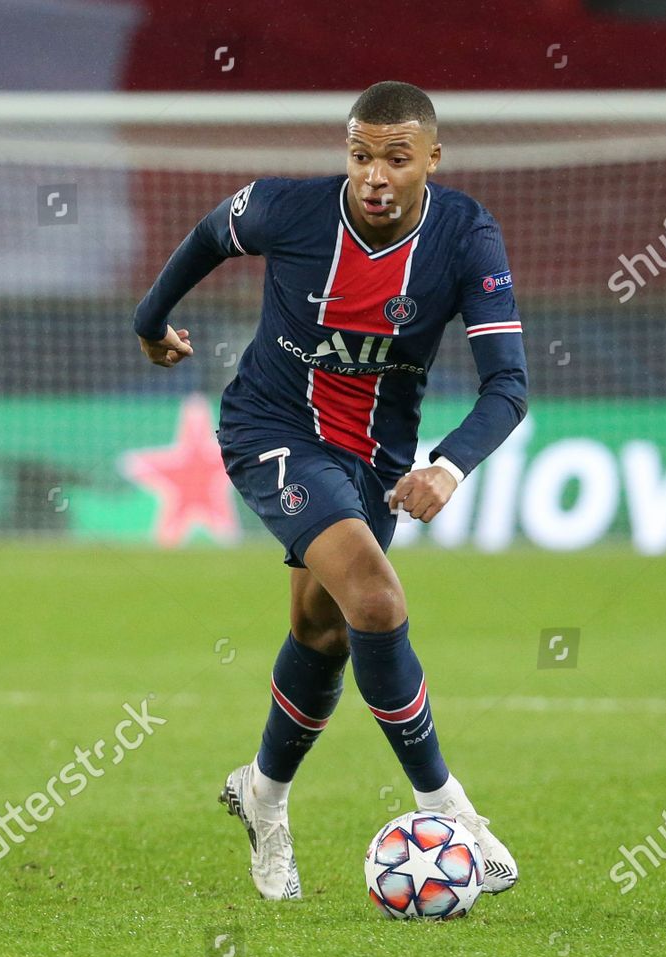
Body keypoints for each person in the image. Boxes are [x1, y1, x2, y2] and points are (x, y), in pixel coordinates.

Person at [132, 80, 527, 900]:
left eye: (395, 158)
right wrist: (150, 318)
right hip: (271, 428)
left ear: (431, 160)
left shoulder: (465, 237)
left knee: (322, 631)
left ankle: (262, 796)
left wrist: (446, 467)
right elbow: (213, 232)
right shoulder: (291, 210)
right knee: (376, 602)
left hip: (376, 459)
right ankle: (450, 808)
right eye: (359, 156)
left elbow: (509, 387)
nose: (374, 176)